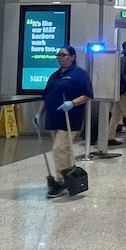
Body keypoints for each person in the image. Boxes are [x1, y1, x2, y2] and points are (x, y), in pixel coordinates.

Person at [33, 45, 92, 199]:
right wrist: (39, 114)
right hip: (54, 118)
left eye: (63, 55)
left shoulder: (80, 75)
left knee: (59, 149)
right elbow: (46, 96)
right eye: (58, 55)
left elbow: (87, 95)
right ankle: (70, 176)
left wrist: (72, 103)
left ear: (72, 57)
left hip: (70, 119)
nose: (60, 58)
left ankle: (60, 181)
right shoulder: (54, 76)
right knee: (64, 151)